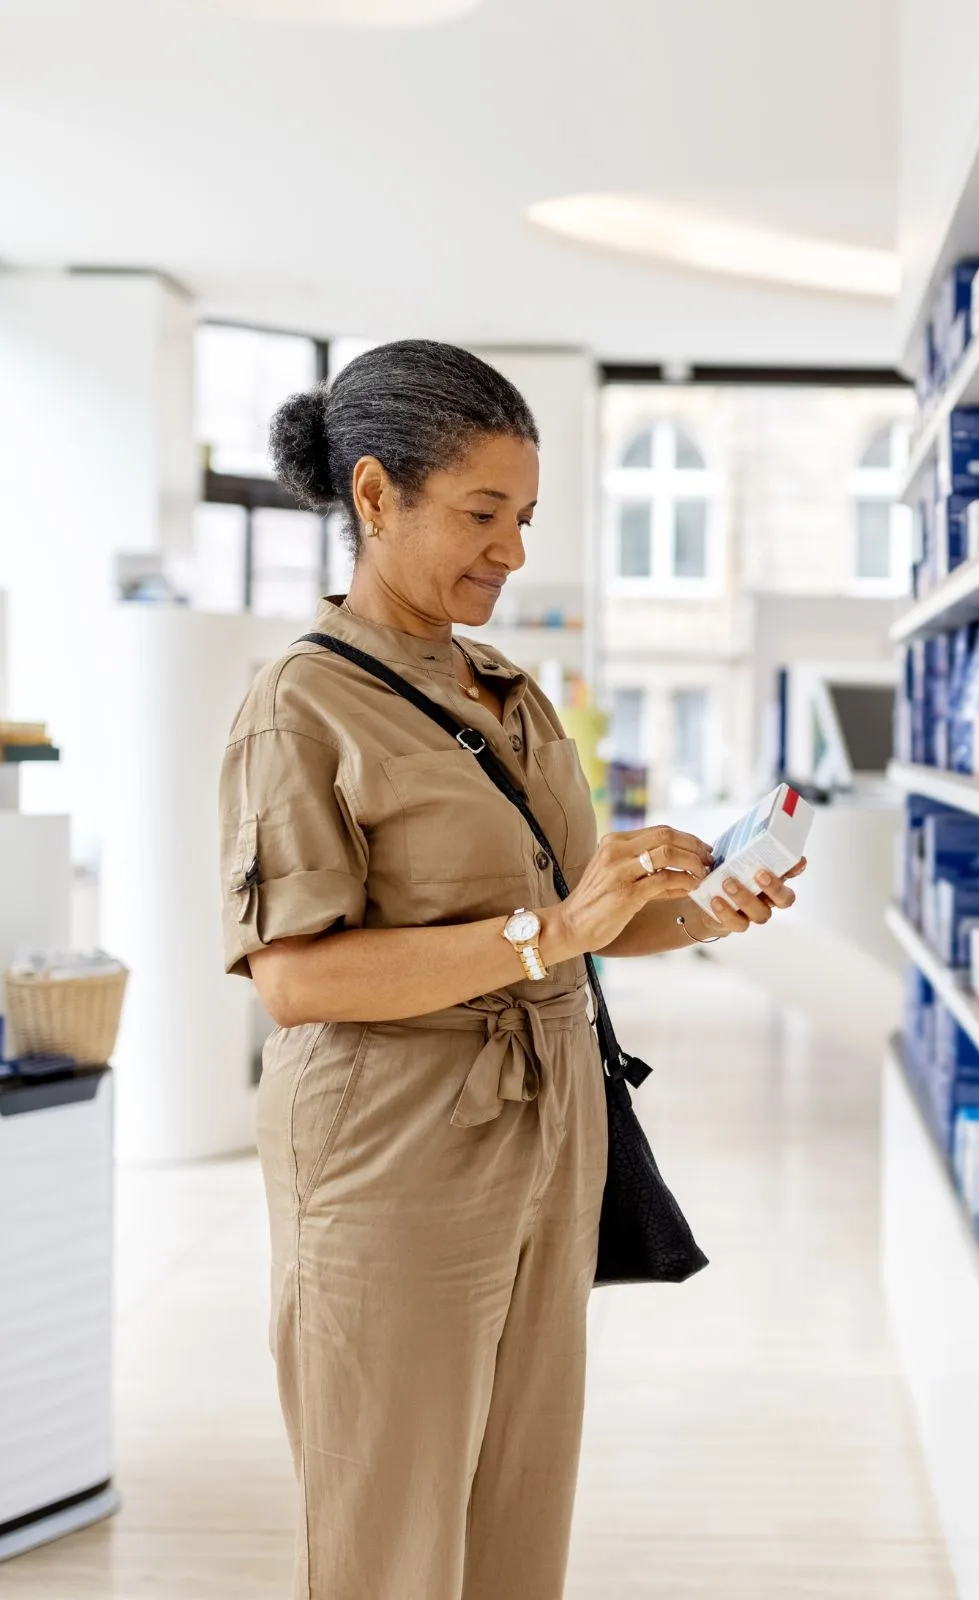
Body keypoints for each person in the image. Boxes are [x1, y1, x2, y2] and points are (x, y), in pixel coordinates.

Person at [217, 340, 803, 1600]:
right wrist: (551, 933)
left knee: (520, 1523)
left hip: (548, 1136)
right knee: (391, 1536)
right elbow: (295, 981)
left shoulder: (508, 692)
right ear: (375, 497)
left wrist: (701, 911)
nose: (513, 550)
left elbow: (589, 916)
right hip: (389, 1153)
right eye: (483, 513)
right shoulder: (300, 708)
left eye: (524, 517)